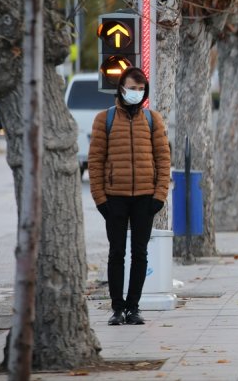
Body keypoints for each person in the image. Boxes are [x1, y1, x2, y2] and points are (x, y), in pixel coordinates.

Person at [88, 67, 171, 326]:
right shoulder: (104, 119)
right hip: (115, 198)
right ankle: (117, 308)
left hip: (145, 198)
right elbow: (95, 161)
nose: (136, 93)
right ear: (121, 89)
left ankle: (133, 307)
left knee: (140, 253)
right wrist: (100, 199)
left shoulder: (152, 119)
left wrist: (159, 195)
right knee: (116, 253)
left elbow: (163, 159)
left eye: (140, 89)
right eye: (132, 88)